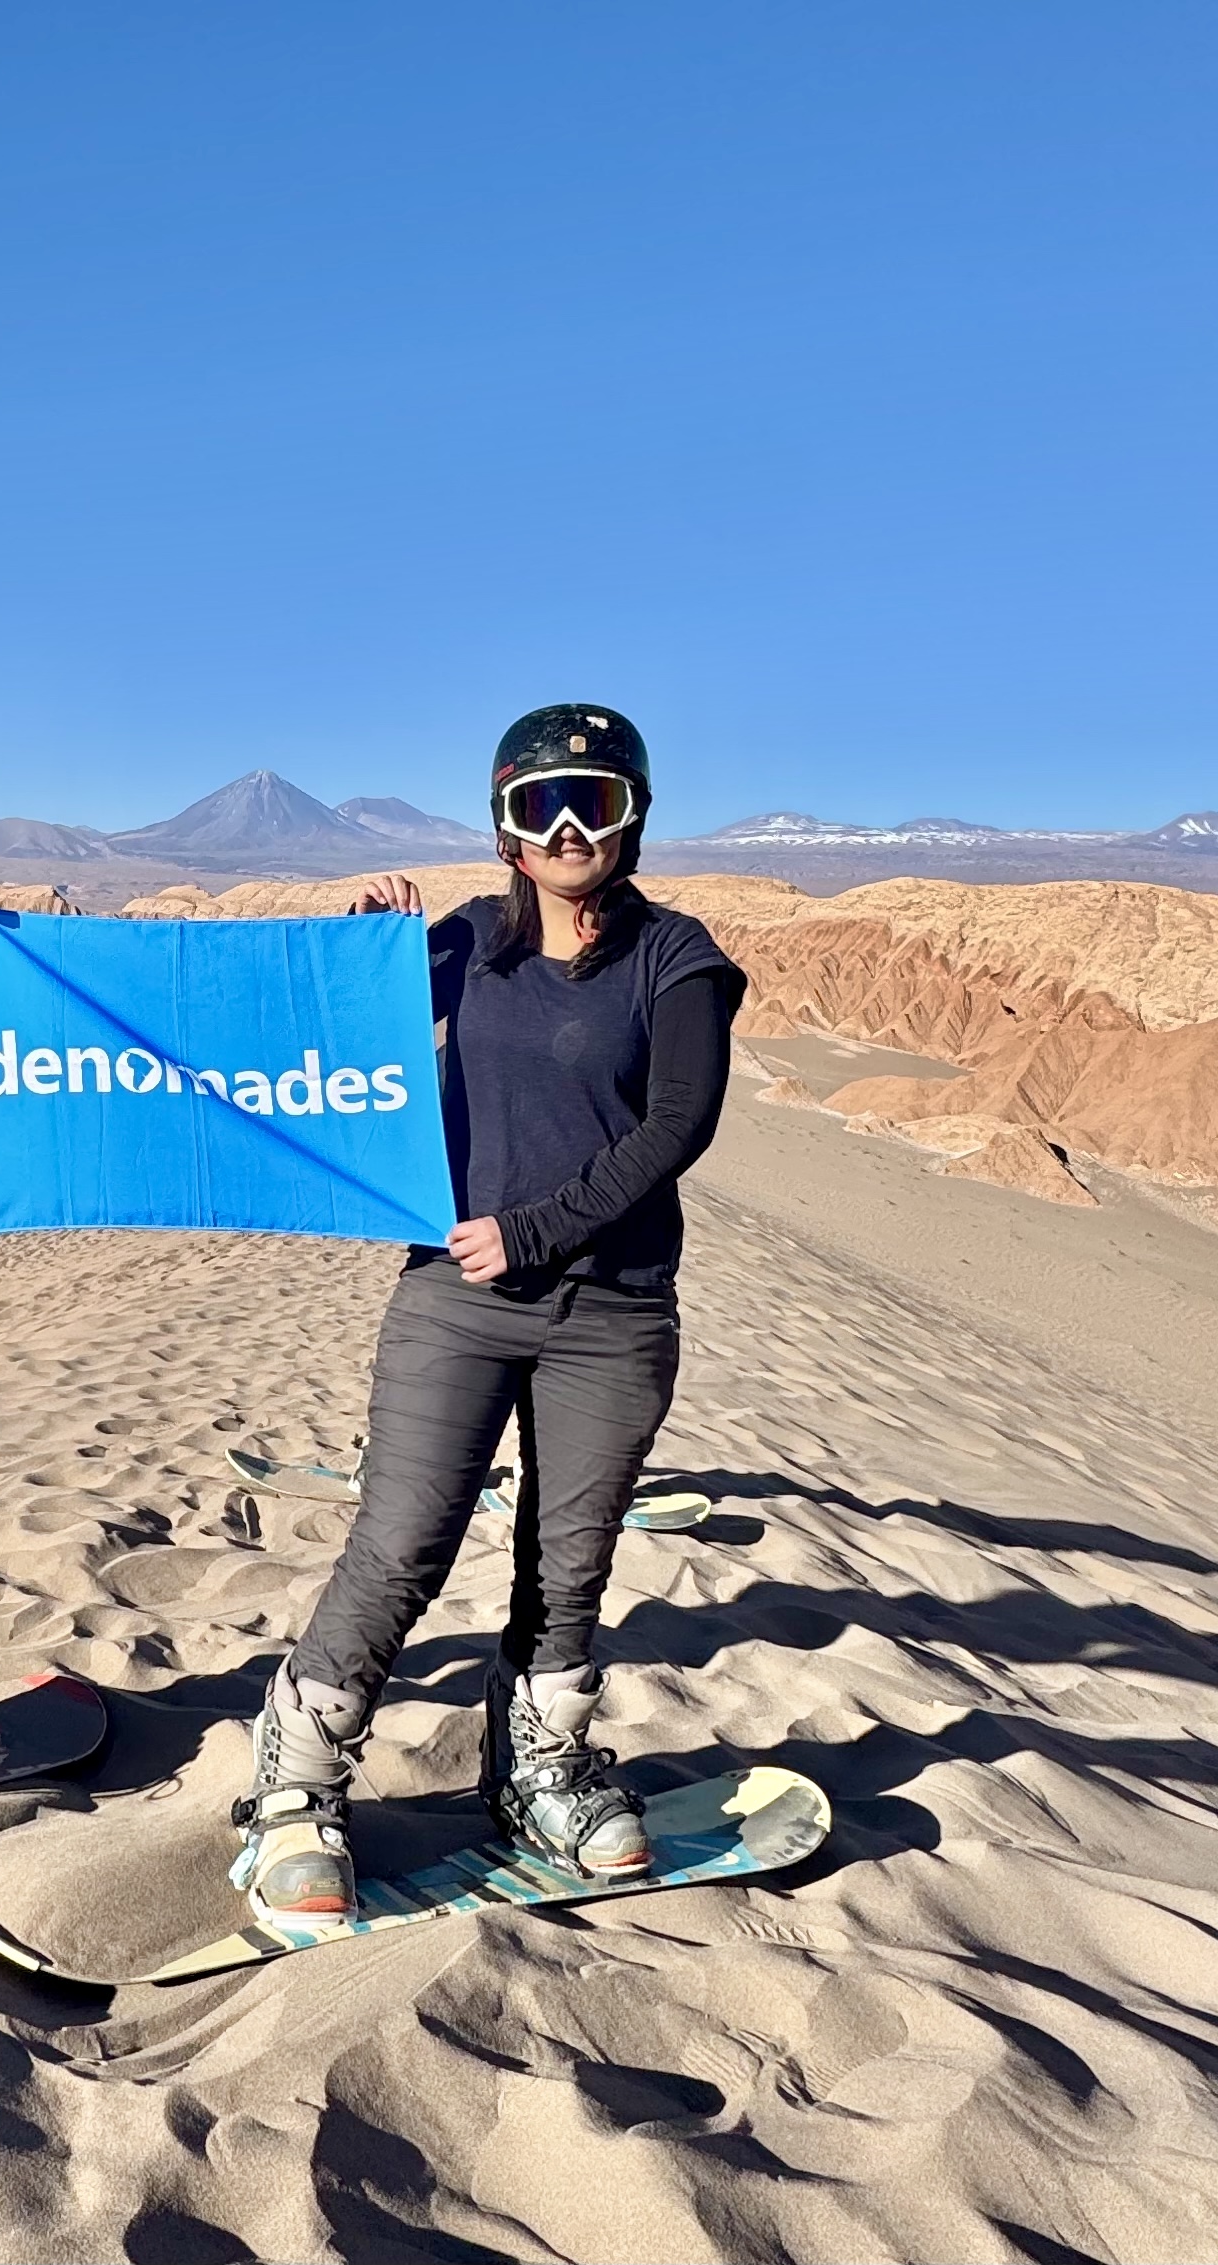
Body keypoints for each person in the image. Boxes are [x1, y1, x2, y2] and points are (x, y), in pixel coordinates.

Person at [229, 704, 746, 1920]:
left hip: (613, 1312)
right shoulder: (463, 944)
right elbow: (302, 1040)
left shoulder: (677, 958)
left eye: (597, 802)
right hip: (452, 1300)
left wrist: (535, 1229)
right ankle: (295, 1783)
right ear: (502, 828)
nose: (568, 829)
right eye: (538, 806)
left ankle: (538, 1769)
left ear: (634, 817)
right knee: (400, 1541)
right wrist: (352, 972)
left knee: (567, 1568)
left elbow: (678, 1127)